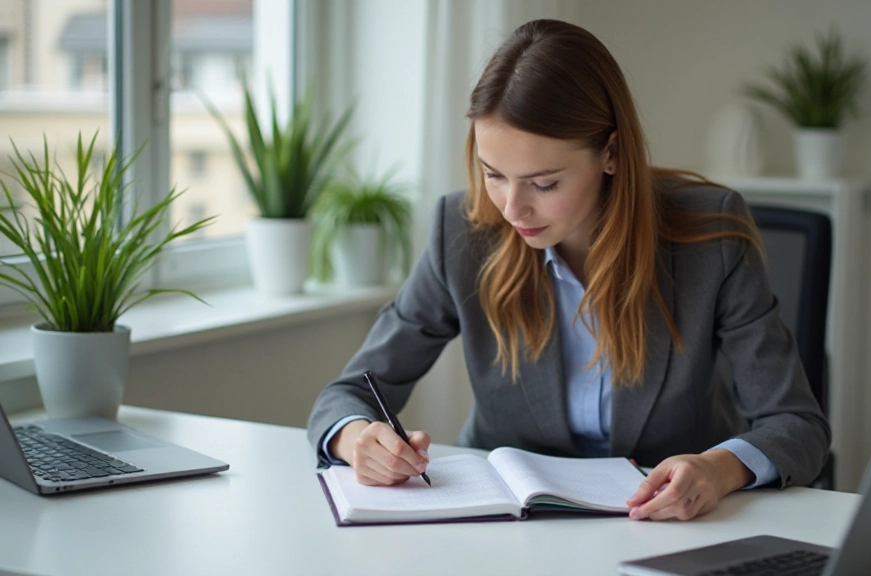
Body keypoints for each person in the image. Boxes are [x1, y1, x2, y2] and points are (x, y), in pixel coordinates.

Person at [307, 19, 830, 522]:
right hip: (507, 529)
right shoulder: (464, 233)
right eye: (494, 175)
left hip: (664, 524)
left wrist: (717, 470)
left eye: (544, 183)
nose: (512, 209)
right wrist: (357, 440)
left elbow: (797, 424)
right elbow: (347, 394)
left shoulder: (709, 235)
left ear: (611, 153)